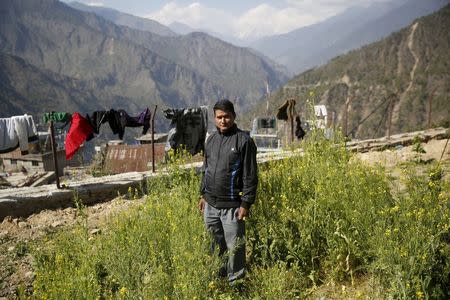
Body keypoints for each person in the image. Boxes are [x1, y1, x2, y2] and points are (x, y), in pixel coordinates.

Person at [198, 99, 258, 283]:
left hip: (232, 206)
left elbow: (251, 175)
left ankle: (237, 284)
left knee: (235, 248)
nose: (223, 121)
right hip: (210, 205)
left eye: (226, 117)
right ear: (214, 118)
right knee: (215, 246)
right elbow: (205, 168)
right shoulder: (211, 140)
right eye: (219, 117)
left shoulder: (244, 141)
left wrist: (246, 203)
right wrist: (202, 194)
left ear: (234, 116)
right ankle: (220, 280)